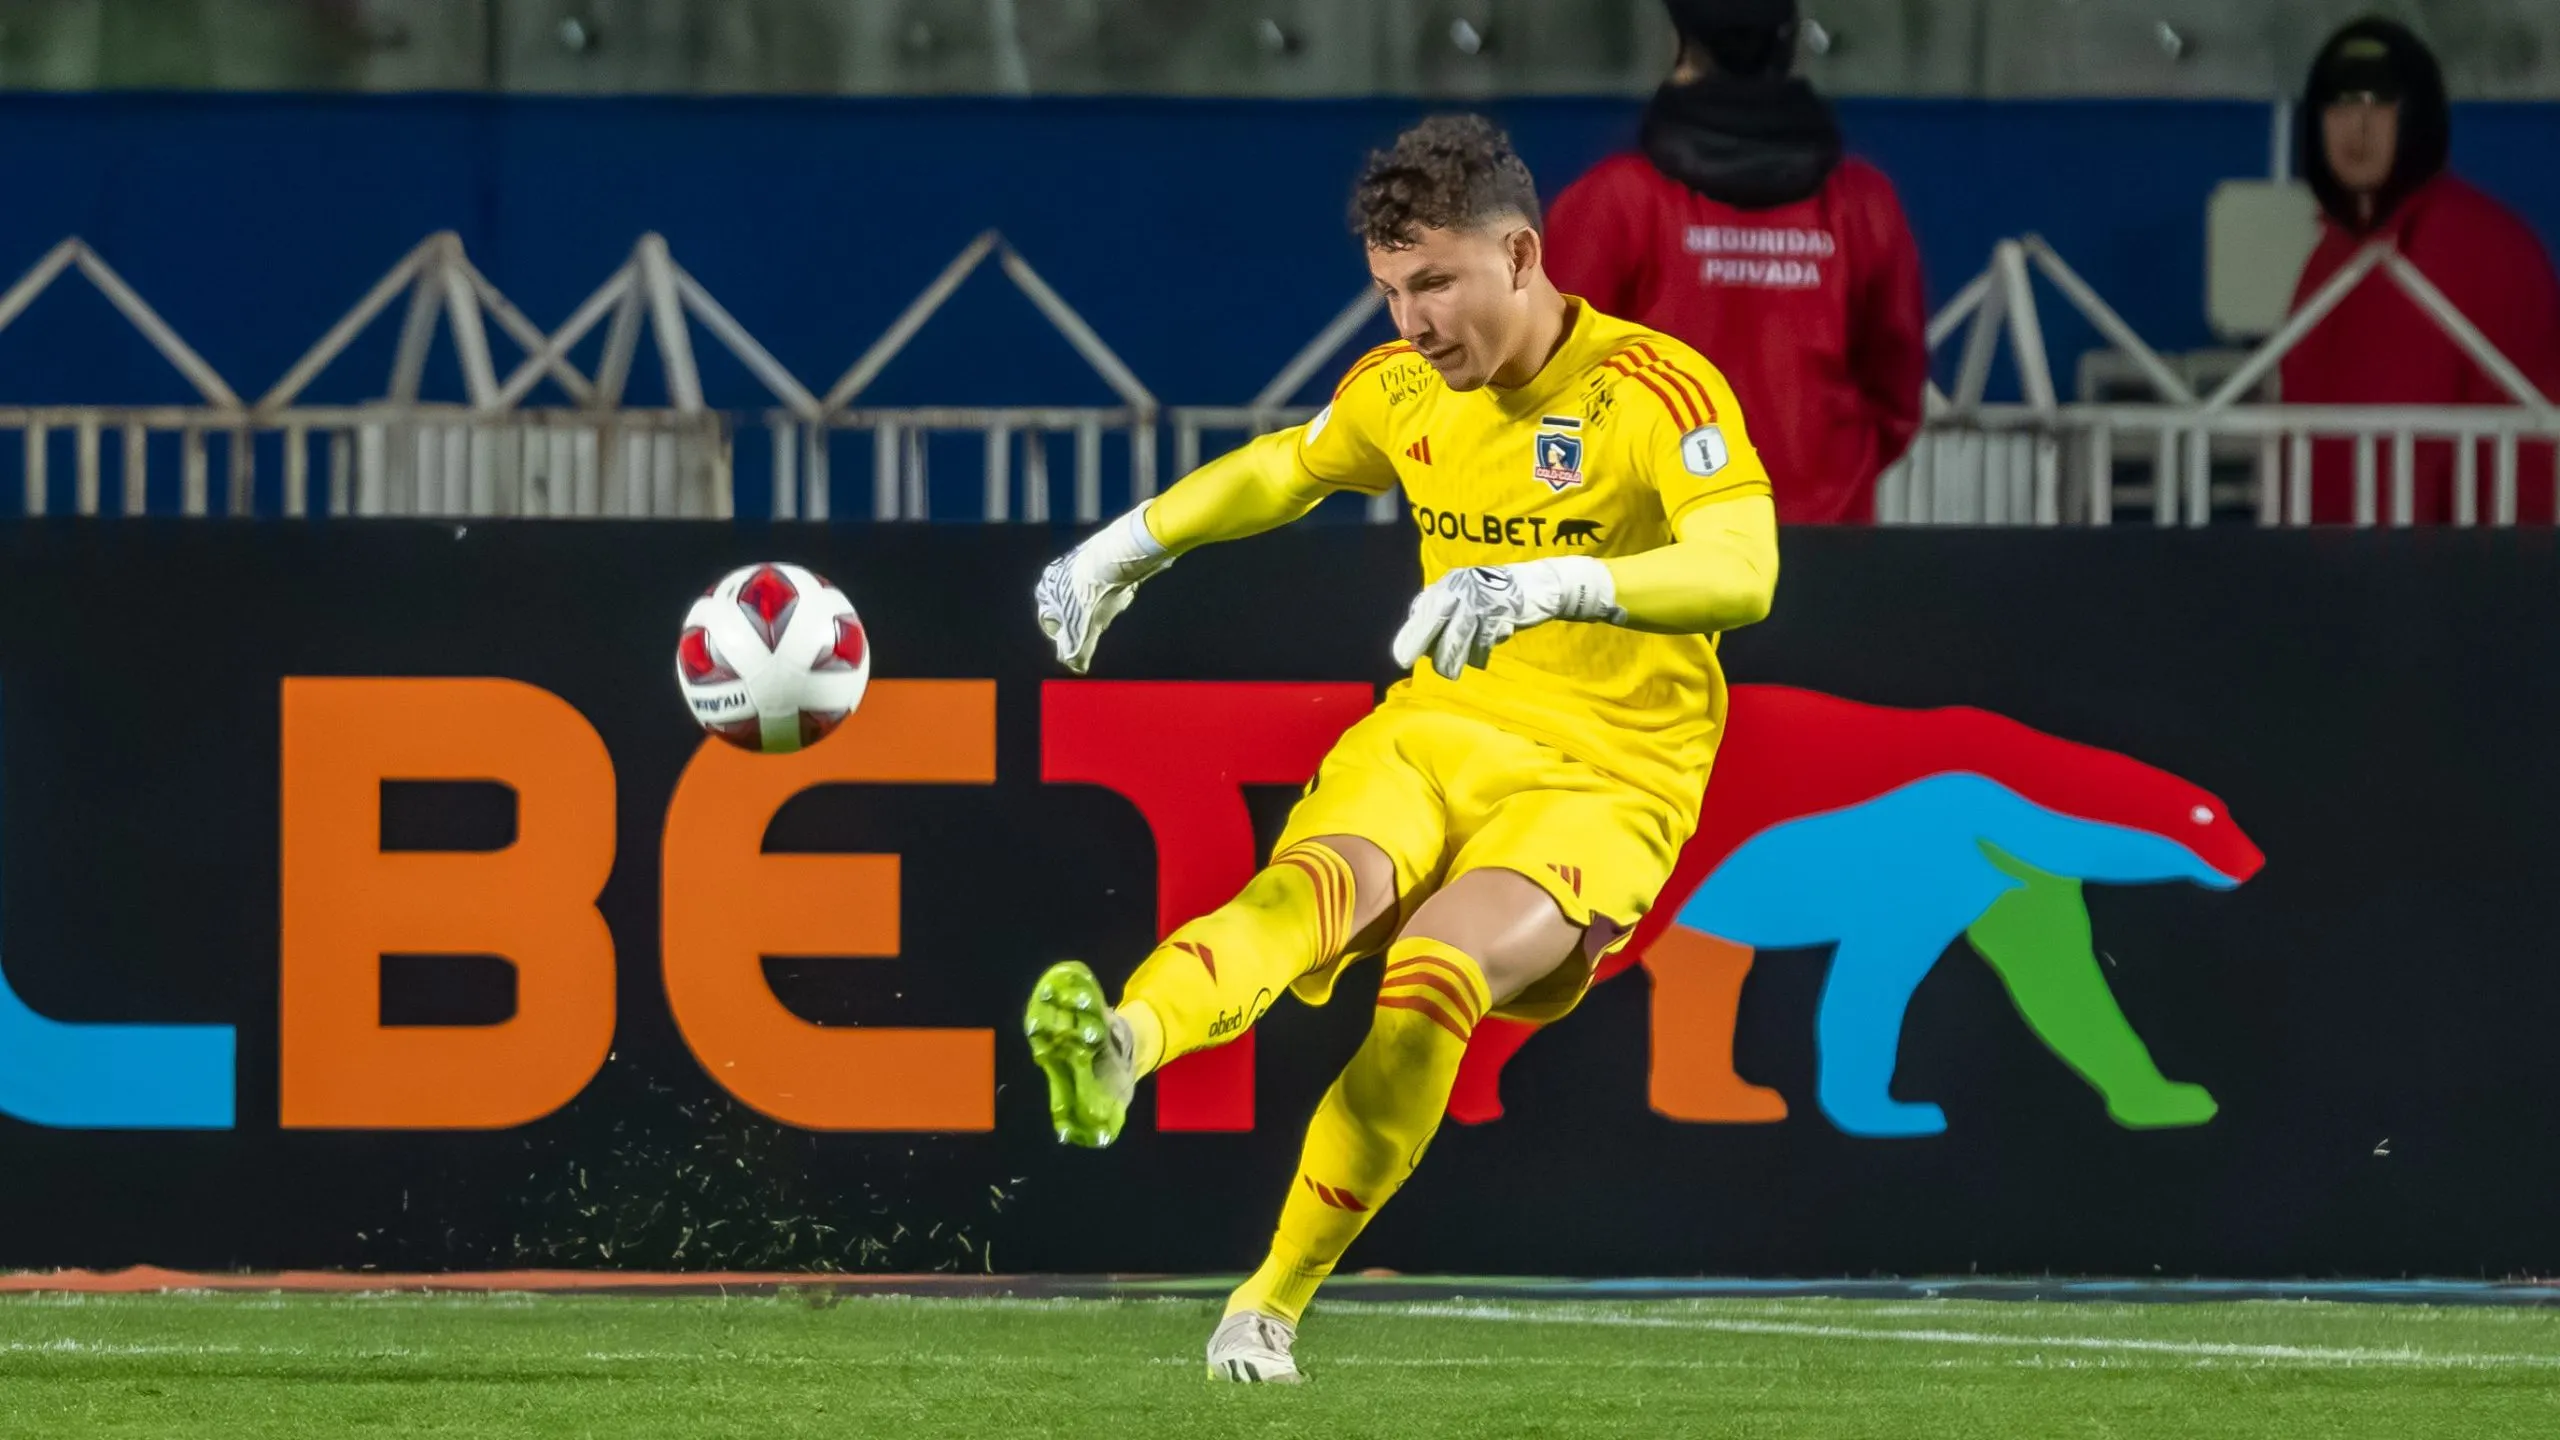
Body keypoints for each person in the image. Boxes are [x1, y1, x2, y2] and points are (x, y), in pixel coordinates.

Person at [1023, 115, 1780, 1383]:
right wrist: (1128, 544)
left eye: (1434, 283)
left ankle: (1264, 1303)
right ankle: (1120, 1050)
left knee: (1433, 966)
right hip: (1435, 732)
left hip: (1606, 777)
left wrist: (1554, 587)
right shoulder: (1403, 391)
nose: (1411, 322)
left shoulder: (1654, 389)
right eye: (1387, 291)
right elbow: (1289, 469)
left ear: (1522, 255)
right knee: (1303, 897)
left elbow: (1743, 569)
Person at [1542, 0, 1926, 525]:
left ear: (1681, 41)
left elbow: (1545, 389)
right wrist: (1827, 482)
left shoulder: (1609, 204)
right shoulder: (1864, 205)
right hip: (1827, 549)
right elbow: (1897, 396)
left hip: (1657, 556)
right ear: (1789, 41)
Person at [2282, 17, 2560, 524]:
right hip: (2339, 576)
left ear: (2419, 117)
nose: (2358, 127)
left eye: (2381, 104)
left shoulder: (2476, 244)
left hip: (2463, 579)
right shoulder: (2330, 255)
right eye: (2341, 104)